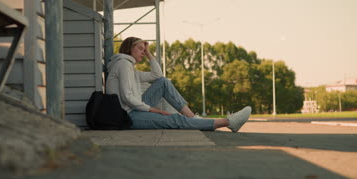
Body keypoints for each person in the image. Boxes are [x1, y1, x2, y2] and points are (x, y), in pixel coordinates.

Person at [105, 37, 251, 132]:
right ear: (128, 49)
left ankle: (193, 118)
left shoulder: (132, 69)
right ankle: (228, 122)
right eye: (140, 49)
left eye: (144, 50)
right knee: (175, 120)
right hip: (127, 115)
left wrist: (149, 53)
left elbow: (157, 75)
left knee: (163, 82)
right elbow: (126, 97)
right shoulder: (123, 64)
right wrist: (152, 110)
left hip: (134, 108)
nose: (143, 53)